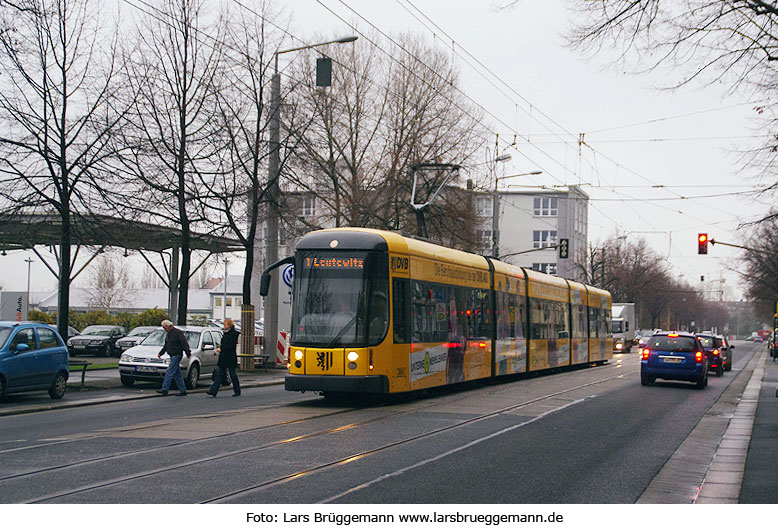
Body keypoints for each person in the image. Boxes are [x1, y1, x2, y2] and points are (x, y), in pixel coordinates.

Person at [207, 318, 241, 397]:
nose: (224, 326)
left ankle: (237, 390)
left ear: (229, 325)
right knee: (220, 374)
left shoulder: (233, 334)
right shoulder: (225, 333)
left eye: (225, 324)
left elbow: (231, 346)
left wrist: (221, 349)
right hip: (224, 357)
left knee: (232, 374)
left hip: (230, 357)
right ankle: (213, 390)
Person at [156, 320, 191, 396]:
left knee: (170, 371)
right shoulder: (168, 334)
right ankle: (182, 390)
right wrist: (161, 353)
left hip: (177, 354)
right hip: (172, 355)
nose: (164, 330)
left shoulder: (178, 333)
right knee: (177, 374)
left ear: (169, 326)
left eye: (165, 328)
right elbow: (166, 345)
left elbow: (184, 343)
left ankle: (165, 388)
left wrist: (188, 352)